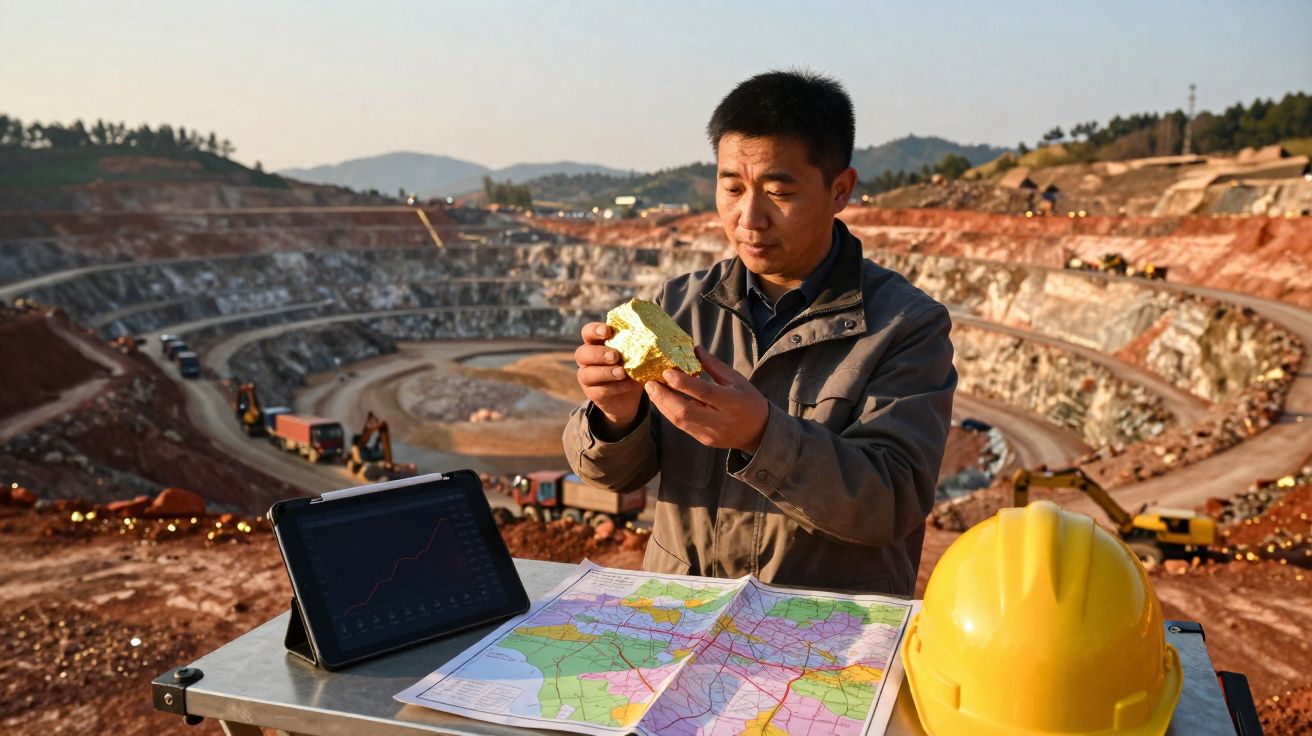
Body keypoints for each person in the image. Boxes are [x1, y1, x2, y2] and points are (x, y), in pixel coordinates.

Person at [563, 70, 956, 596]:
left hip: (821, 633)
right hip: (683, 610)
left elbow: (892, 501)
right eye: (732, 188)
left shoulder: (905, 326)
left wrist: (760, 436)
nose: (749, 218)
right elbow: (614, 477)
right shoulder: (676, 305)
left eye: (777, 191)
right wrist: (615, 417)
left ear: (839, 190)